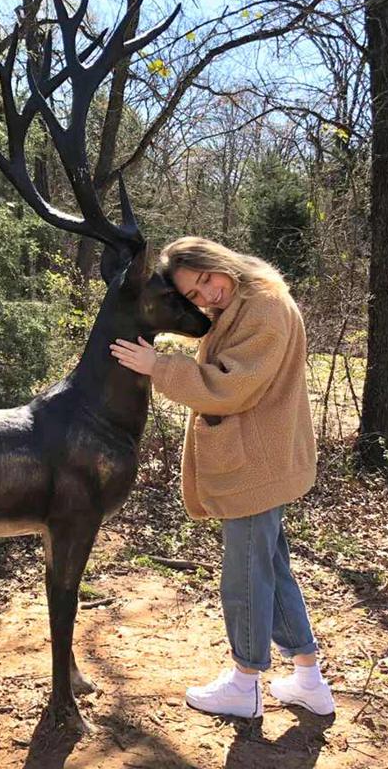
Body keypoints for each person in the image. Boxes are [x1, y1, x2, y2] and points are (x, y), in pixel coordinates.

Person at [109, 236, 335, 719]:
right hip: (260, 460)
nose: (206, 296)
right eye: (193, 294)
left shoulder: (265, 308)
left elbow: (234, 386)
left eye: (206, 281)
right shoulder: (244, 304)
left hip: (256, 464)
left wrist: (159, 367)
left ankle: (244, 682)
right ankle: (309, 679)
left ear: (219, 264)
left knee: (246, 575)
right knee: (271, 570)